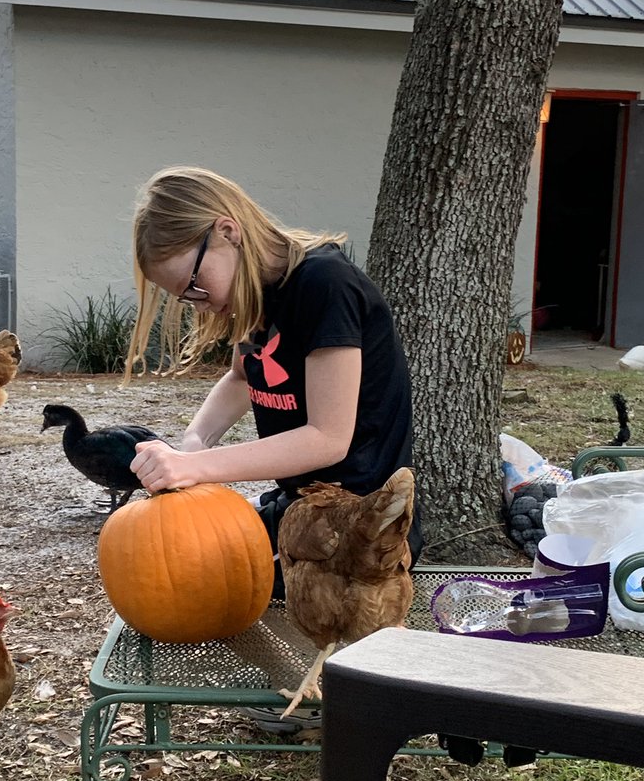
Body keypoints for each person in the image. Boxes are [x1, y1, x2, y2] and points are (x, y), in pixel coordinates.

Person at [123, 166, 423, 598]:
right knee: (170, 570)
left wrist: (194, 467)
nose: (198, 305)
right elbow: (239, 377)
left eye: (194, 285)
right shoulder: (255, 294)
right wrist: (194, 442)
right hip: (301, 512)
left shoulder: (325, 284)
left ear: (227, 232)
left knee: (209, 592)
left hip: (359, 530)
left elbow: (327, 439)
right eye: (185, 298)